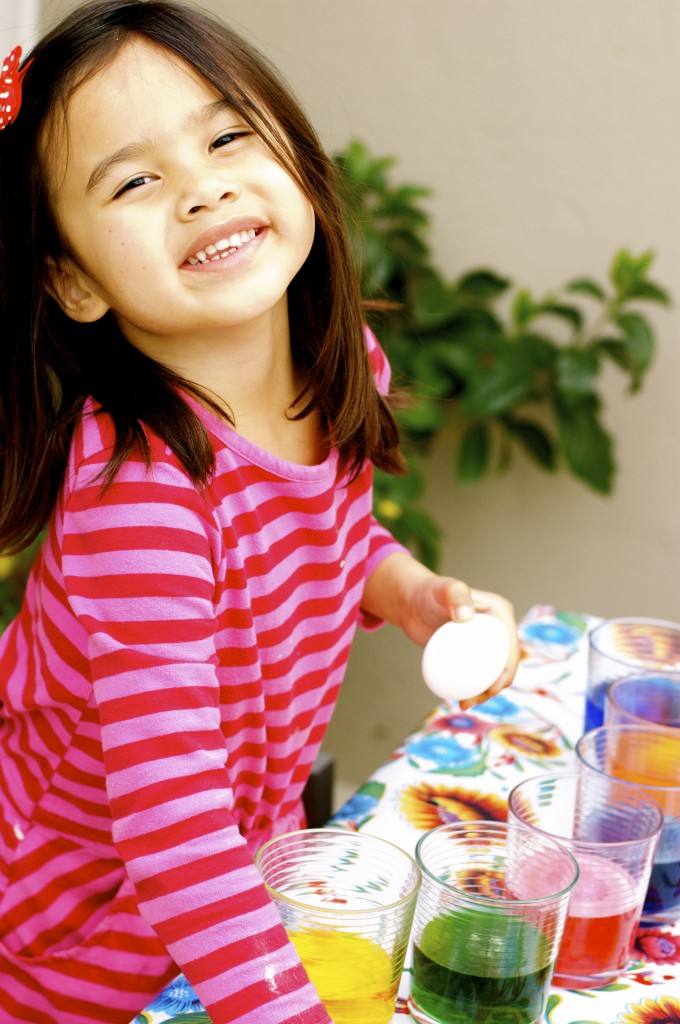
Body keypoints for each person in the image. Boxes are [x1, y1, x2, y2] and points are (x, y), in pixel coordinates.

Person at [0, 2, 519, 1021]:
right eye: (136, 181)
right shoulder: (137, 500)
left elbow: (322, 541)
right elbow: (175, 833)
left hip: (223, 915)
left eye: (227, 135)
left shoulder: (333, 377)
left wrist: (405, 590)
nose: (202, 188)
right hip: (68, 949)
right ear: (72, 280)